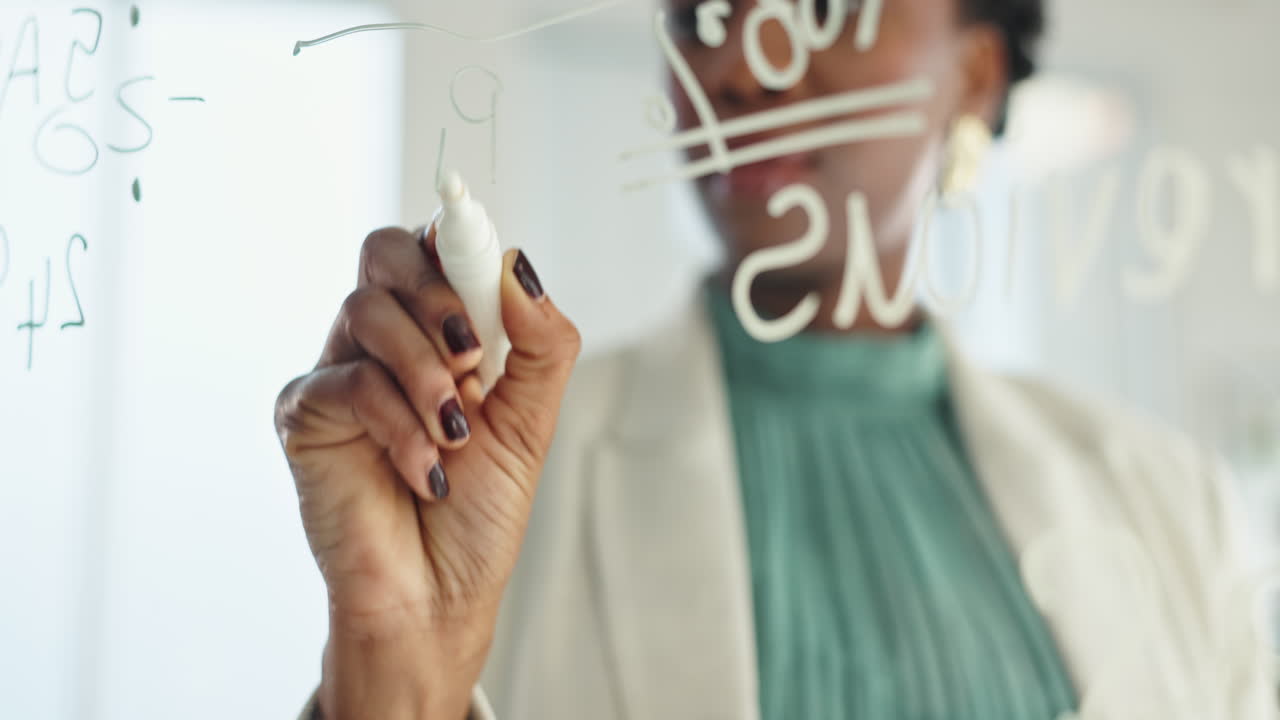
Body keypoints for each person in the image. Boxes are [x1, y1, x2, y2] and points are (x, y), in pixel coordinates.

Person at [274, 0, 1276, 718]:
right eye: (702, 15)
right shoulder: (495, 474)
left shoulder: (1168, 501)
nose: (736, 67)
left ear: (971, 72)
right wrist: (395, 670)